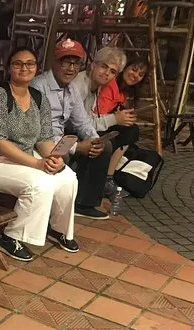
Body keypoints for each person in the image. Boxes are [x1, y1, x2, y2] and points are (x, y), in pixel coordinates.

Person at [0, 47, 79, 261]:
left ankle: (58, 229)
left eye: (30, 64)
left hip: (24, 156)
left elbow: (45, 137)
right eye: (18, 64)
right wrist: (37, 164)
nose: (24, 68)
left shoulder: (39, 98)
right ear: (9, 68)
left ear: (36, 68)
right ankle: (10, 236)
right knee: (40, 183)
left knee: (67, 177)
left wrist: (53, 159)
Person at [31, 39, 111, 220]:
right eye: (66, 62)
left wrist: (94, 139)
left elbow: (82, 121)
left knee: (104, 147)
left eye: (76, 64)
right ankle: (52, 210)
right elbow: (39, 131)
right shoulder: (38, 86)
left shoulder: (72, 88)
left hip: (60, 139)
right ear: (54, 62)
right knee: (61, 156)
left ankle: (83, 203)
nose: (71, 68)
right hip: (41, 141)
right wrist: (77, 147)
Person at [71, 46, 139, 197]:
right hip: (66, 131)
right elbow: (79, 122)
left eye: (112, 71)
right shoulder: (79, 85)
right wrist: (114, 119)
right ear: (93, 65)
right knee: (104, 145)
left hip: (80, 129)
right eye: (104, 66)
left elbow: (88, 120)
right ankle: (86, 198)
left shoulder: (96, 86)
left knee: (125, 133)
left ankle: (95, 191)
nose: (107, 73)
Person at [97, 56, 150, 194]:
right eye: (133, 69)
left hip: (106, 124)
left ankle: (109, 176)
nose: (136, 76)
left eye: (140, 74)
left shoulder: (124, 91)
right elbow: (100, 114)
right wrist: (118, 118)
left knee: (131, 130)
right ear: (124, 68)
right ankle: (108, 177)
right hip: (96, 124)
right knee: (130, 131)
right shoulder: (110, 85)